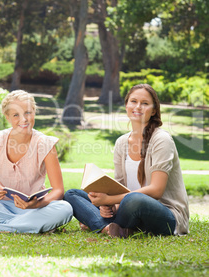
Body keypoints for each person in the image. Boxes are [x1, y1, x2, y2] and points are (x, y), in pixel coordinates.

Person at [64, 84, 189, 237]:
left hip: (165, 215)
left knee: (134, 199)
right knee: (72, 194)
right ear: (126, 105)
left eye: (145, 103)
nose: (138, 107)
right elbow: (120, 188)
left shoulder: (161, 140)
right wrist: (109, 206)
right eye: (133, 101)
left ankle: (97, 223)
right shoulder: (121, 143)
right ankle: (110, 228)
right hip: (127, 208)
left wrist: (110, 199)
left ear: (154, 110)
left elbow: (156, 190)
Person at [0, 90, 73, 233]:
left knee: (65, 209)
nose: (24, 119)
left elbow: (58, 190)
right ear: (7, 117)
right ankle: (30, 226)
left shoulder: (45, 144)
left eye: (28, 113)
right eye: (16, 115)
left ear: (34, 112)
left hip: (34, 209)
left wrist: (37, 205)